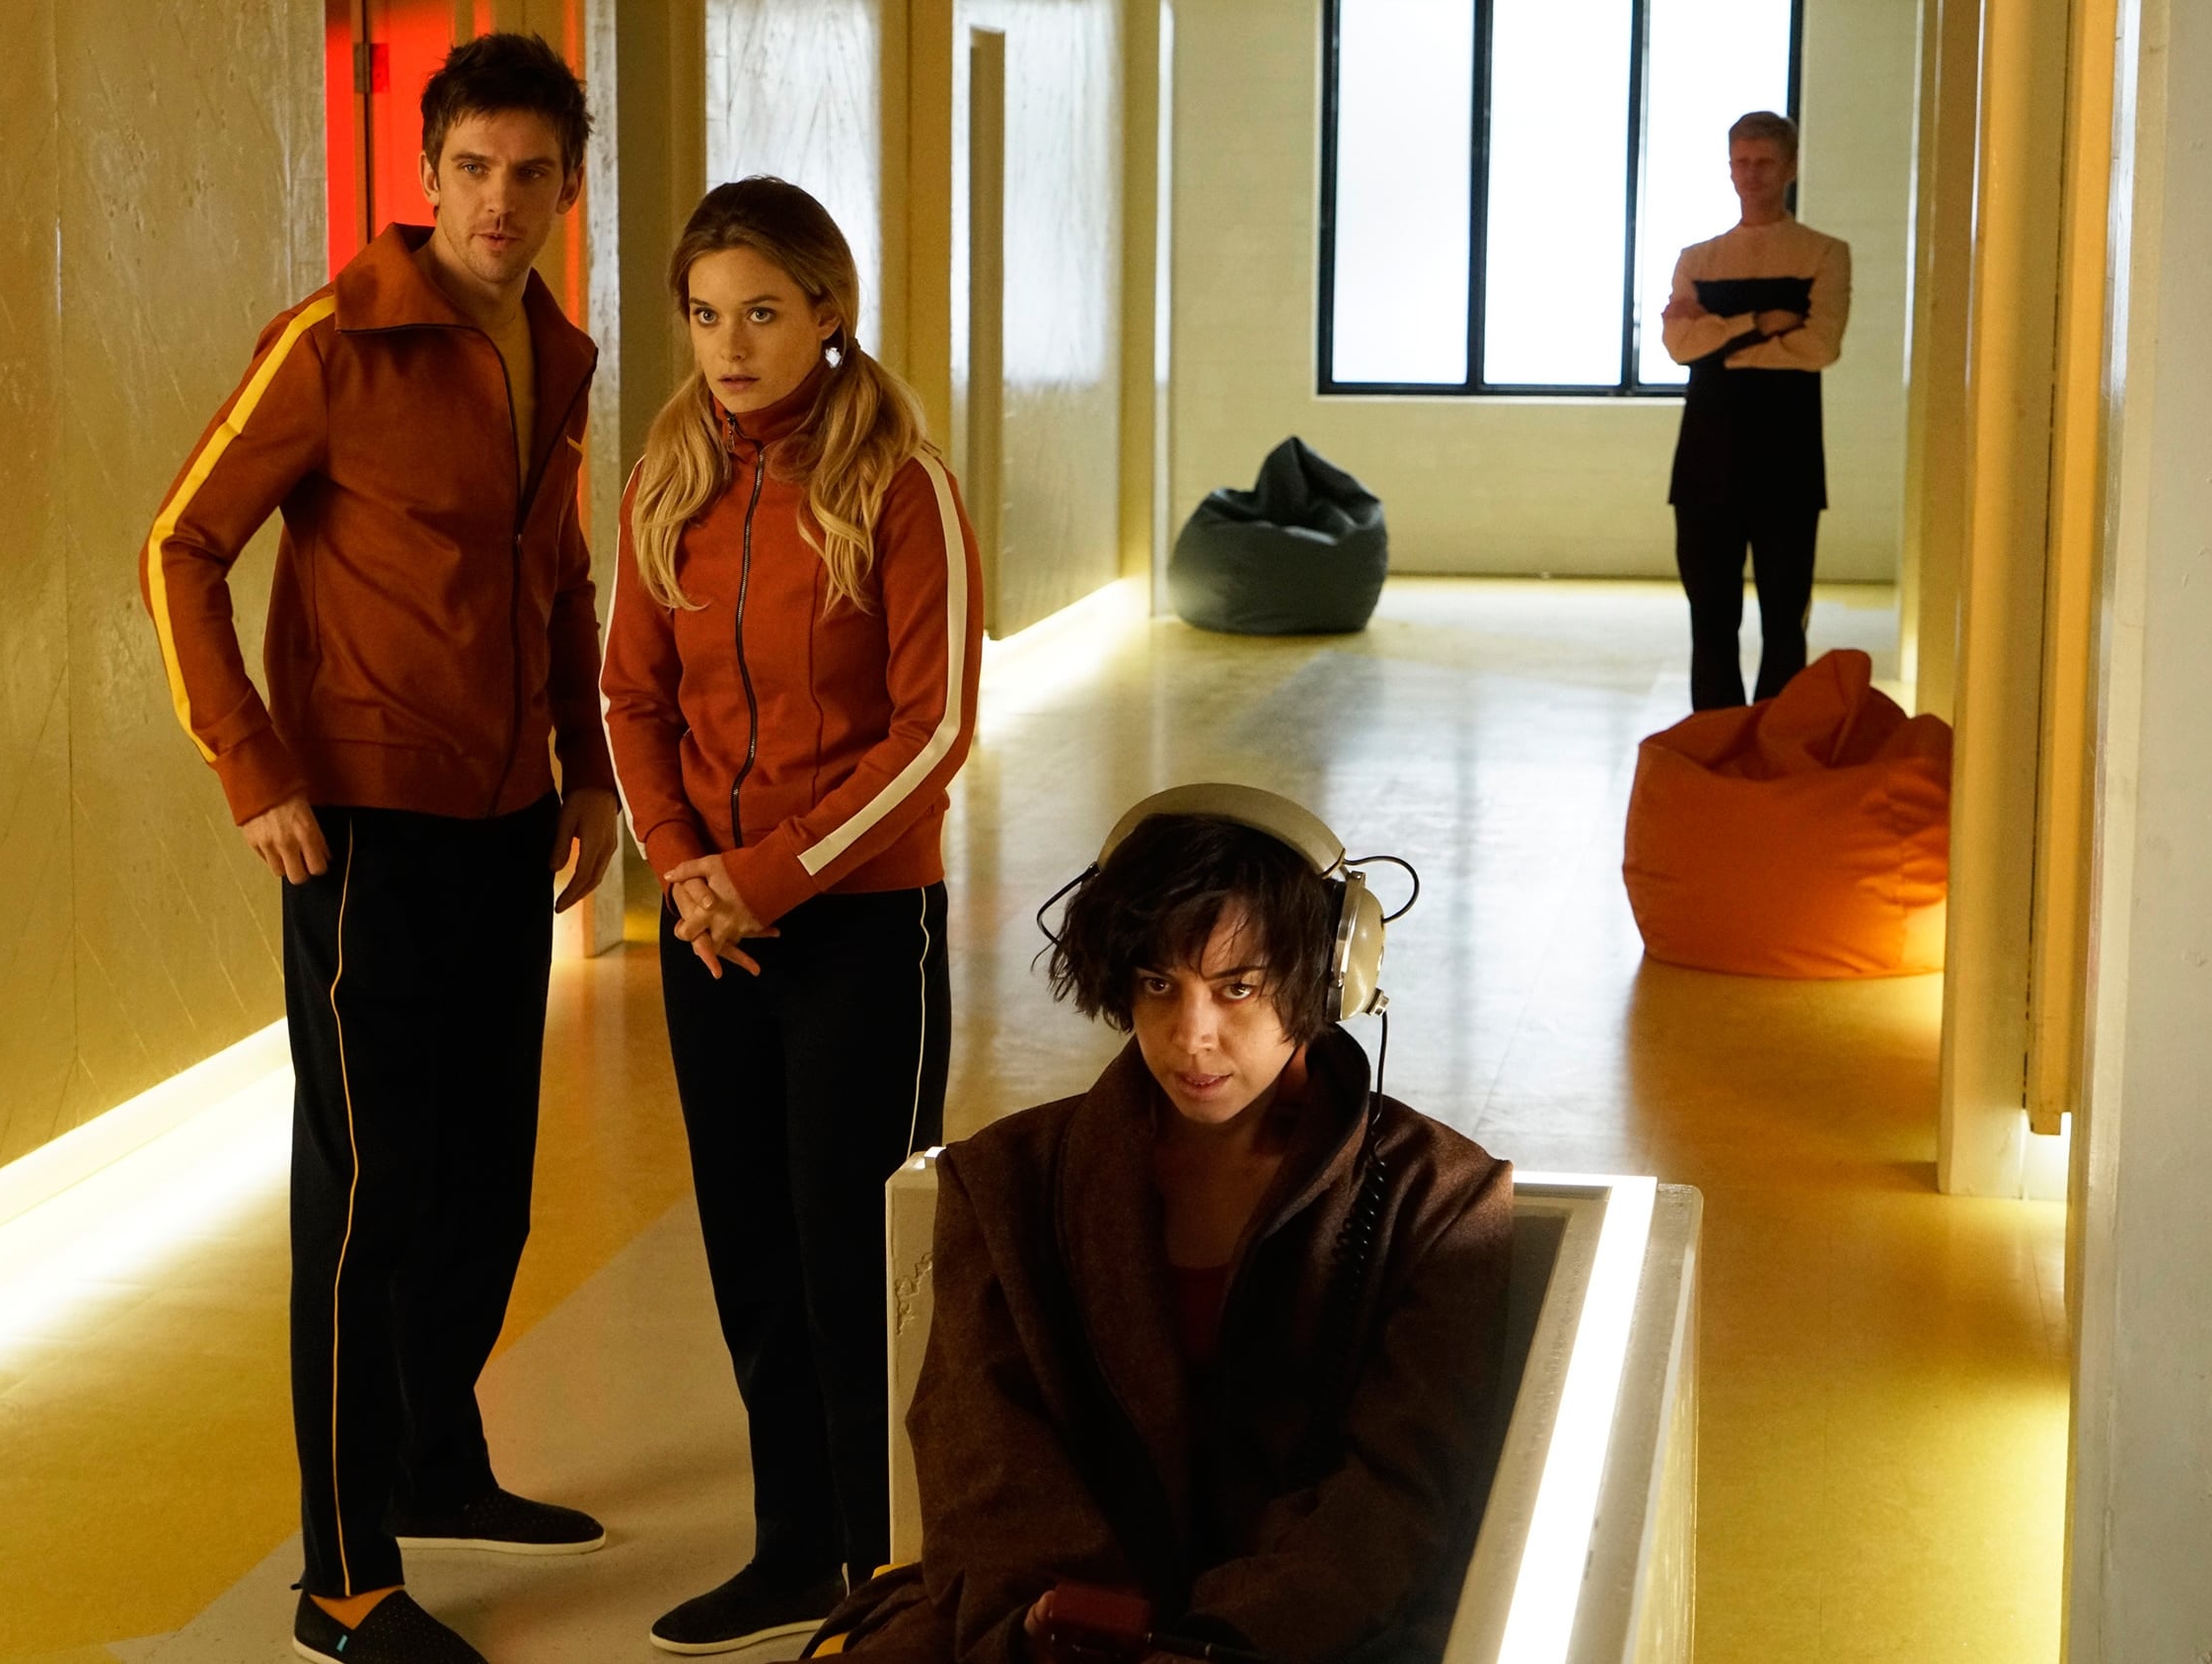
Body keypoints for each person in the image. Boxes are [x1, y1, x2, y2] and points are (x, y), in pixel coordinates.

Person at [135, 33, 620, 1664]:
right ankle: (342, 1574)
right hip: (356, 829)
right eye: (472, 167)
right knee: (367, 1192)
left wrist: (588, 771)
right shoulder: (331, 342)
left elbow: (558, 578)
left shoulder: (556, 355)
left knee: (487, 1183)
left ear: (567, 188)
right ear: (425, 175)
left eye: (531, 173)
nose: (499, 199)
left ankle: (431, 1455)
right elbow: (180, 544)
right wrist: (250, 761)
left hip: (505, 825)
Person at [812, 786, 1513, 1664]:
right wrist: (1073, 1624)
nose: (1191, 1035)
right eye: (1158, 984)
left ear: (1330, 976)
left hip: (1304, 1637)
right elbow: (985, 1455)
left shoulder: (1439, 1197)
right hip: (1044, 1625)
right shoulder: (1005, 1179)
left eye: (1237, 987)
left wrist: (1221, 1642)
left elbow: (1398, 1491)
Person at [602, 176, 985, 1654]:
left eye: (762, 312)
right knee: (752, 1247)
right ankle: (791, 1549)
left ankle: (888, 1568)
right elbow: (632, 697)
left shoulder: (900, 485)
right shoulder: (667, 481)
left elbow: (932, 728)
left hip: (861, 924)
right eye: (706, 316)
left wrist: (763, 877)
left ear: (828, 310)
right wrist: (684, 869)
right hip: (712, 928)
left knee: (856, 1255)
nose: (732, 346)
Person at [1660, 109, 1851, 712]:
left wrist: (1720, 341)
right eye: (1741, 162)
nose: (1752, 174)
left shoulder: (1824, 253)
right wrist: (1761, 323)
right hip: (1706, 458)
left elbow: (1820, 347)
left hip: (1787, 459)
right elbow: (1678, 346)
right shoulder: (1697, 259)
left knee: (1785, 618)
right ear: (1729, 168)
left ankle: (1777, 741)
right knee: (1710, 616)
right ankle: (1716, 736)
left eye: (1765, 162)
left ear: (1790, 168)